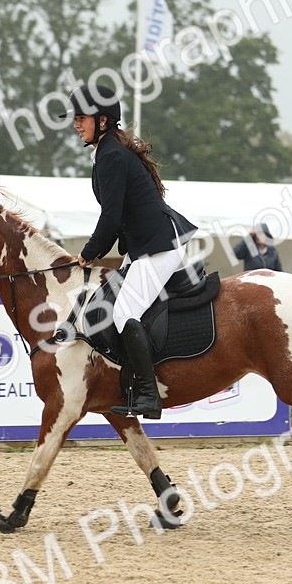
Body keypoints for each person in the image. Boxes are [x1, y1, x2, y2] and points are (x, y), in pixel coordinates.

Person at [62, 84, 197, 420]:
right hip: (142, 248)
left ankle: (150, 396)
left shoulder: (111, 155)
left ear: (103, 120)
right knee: (108, 305)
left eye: (82, 118)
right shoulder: (108, 151)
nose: (76, 124)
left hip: (157, 249)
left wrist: (88, 253)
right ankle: (131, 385)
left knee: (123, 313)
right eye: (75, 118)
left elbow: (110, 217)